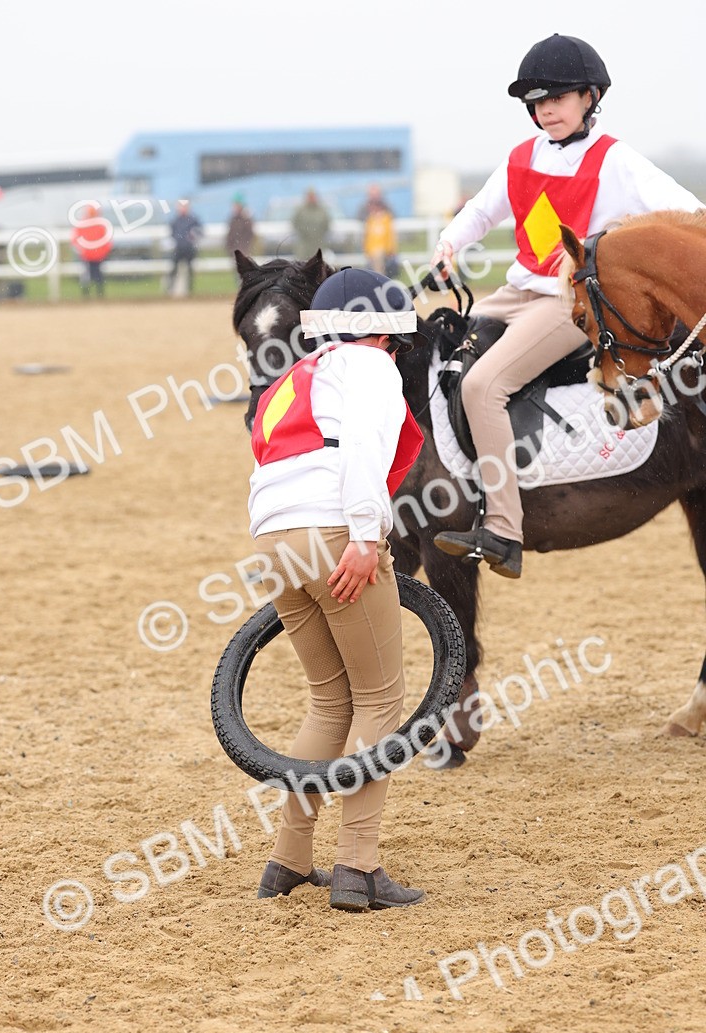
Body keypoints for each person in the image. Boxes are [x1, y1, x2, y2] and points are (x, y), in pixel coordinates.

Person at [429, 33, 703, 580]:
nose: (546, 109)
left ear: (590, 97)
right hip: (516, 291)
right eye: (537, 101)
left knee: (485, 385)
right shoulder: (521, 158)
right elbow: (481, 212)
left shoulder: (617, 161)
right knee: (443, 358)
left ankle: (504, 529)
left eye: (557, 97)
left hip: (573, 299)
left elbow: (688, 213)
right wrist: (450, 244)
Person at [248, 267, 426, 912]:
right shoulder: (371, 367)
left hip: (272, 539)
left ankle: (288, 859)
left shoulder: (292, 380)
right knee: (381, 699)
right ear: (381, 333)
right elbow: (357, 453)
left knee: (329, 702)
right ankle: (359, 866)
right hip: (333, 530)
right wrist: (364, 535)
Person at [71, 203, 113, 297]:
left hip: (95, 256)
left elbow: (106, 241)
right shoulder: (95, 225)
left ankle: (94, 294)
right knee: (91, 275)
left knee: (94, 275)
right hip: (90, 256)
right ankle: (92, 294)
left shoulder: (98, 225)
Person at [168, 198, 202, 296]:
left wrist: (192, 238)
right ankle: (170, 290)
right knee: (173, 269)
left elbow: (200, 231)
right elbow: (172, 232)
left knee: (189, 270)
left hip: (189, 249)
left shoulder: (192, 220)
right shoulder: (176, 220)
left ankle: (189, 291)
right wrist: (178, 240)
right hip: (178, 248)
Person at [291, 189, 331, 261]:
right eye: (310, 196)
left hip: (318, 244)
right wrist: (305, 232)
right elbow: (295, 223)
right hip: (304, 245)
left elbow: (326, 224)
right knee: (303, 265)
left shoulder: (322, 210)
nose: (312, 198)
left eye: (313, 196)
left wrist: (318, 233)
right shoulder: (301, 210)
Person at [363, 194, 398, 276]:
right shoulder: (370, 220)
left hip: (383, 250)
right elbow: (368, 237)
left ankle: (379, 278)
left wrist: (391, 249)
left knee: (378, 258)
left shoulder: (386, 219)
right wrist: (367, 250)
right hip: (372, 251)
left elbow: (390, 236)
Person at [225, 194, 254, 266]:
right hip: (235, 251)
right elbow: (230, 236)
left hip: (243, 251)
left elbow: (249, 235)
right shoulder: (233, 219)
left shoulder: (245, 219)